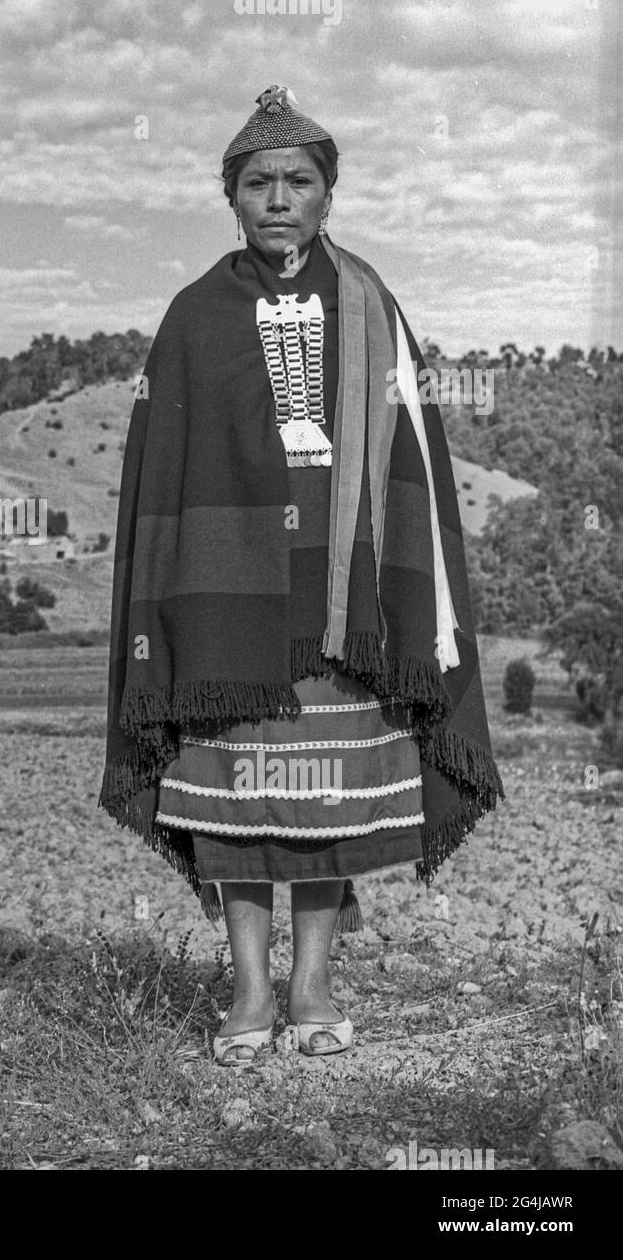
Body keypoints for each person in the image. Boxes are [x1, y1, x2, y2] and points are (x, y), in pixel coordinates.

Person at [99, 86, 505, 1066]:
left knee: (325, 803)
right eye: (257, 181)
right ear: (230, 198)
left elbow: (411, 462)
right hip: (228, 614)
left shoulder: (370, 305)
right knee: (237, 810)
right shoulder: (195, 317)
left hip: (344, 603)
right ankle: (247, 993)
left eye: (299, 180)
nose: (278, 196)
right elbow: (168, 476)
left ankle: (314, 986)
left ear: (329, 194)